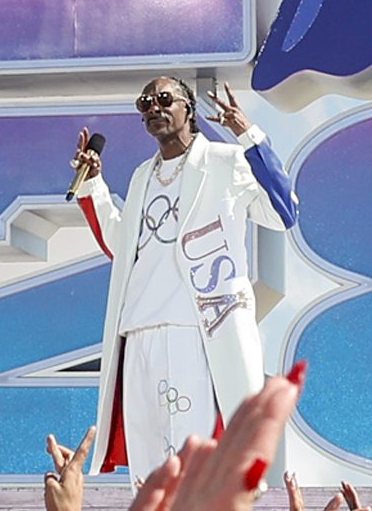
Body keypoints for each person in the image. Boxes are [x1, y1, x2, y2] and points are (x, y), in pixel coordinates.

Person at [69, 78, 297, 471]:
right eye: (145, 103)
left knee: (191, 462)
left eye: (163, 99)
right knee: (147, 472)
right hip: (139, 330)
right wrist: (94, 184)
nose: (153, 108)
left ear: (187, 109)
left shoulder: (226, 161)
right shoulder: (143, 175)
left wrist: (248, 135)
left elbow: (282, 213)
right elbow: (123, 248)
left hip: (193, 329)